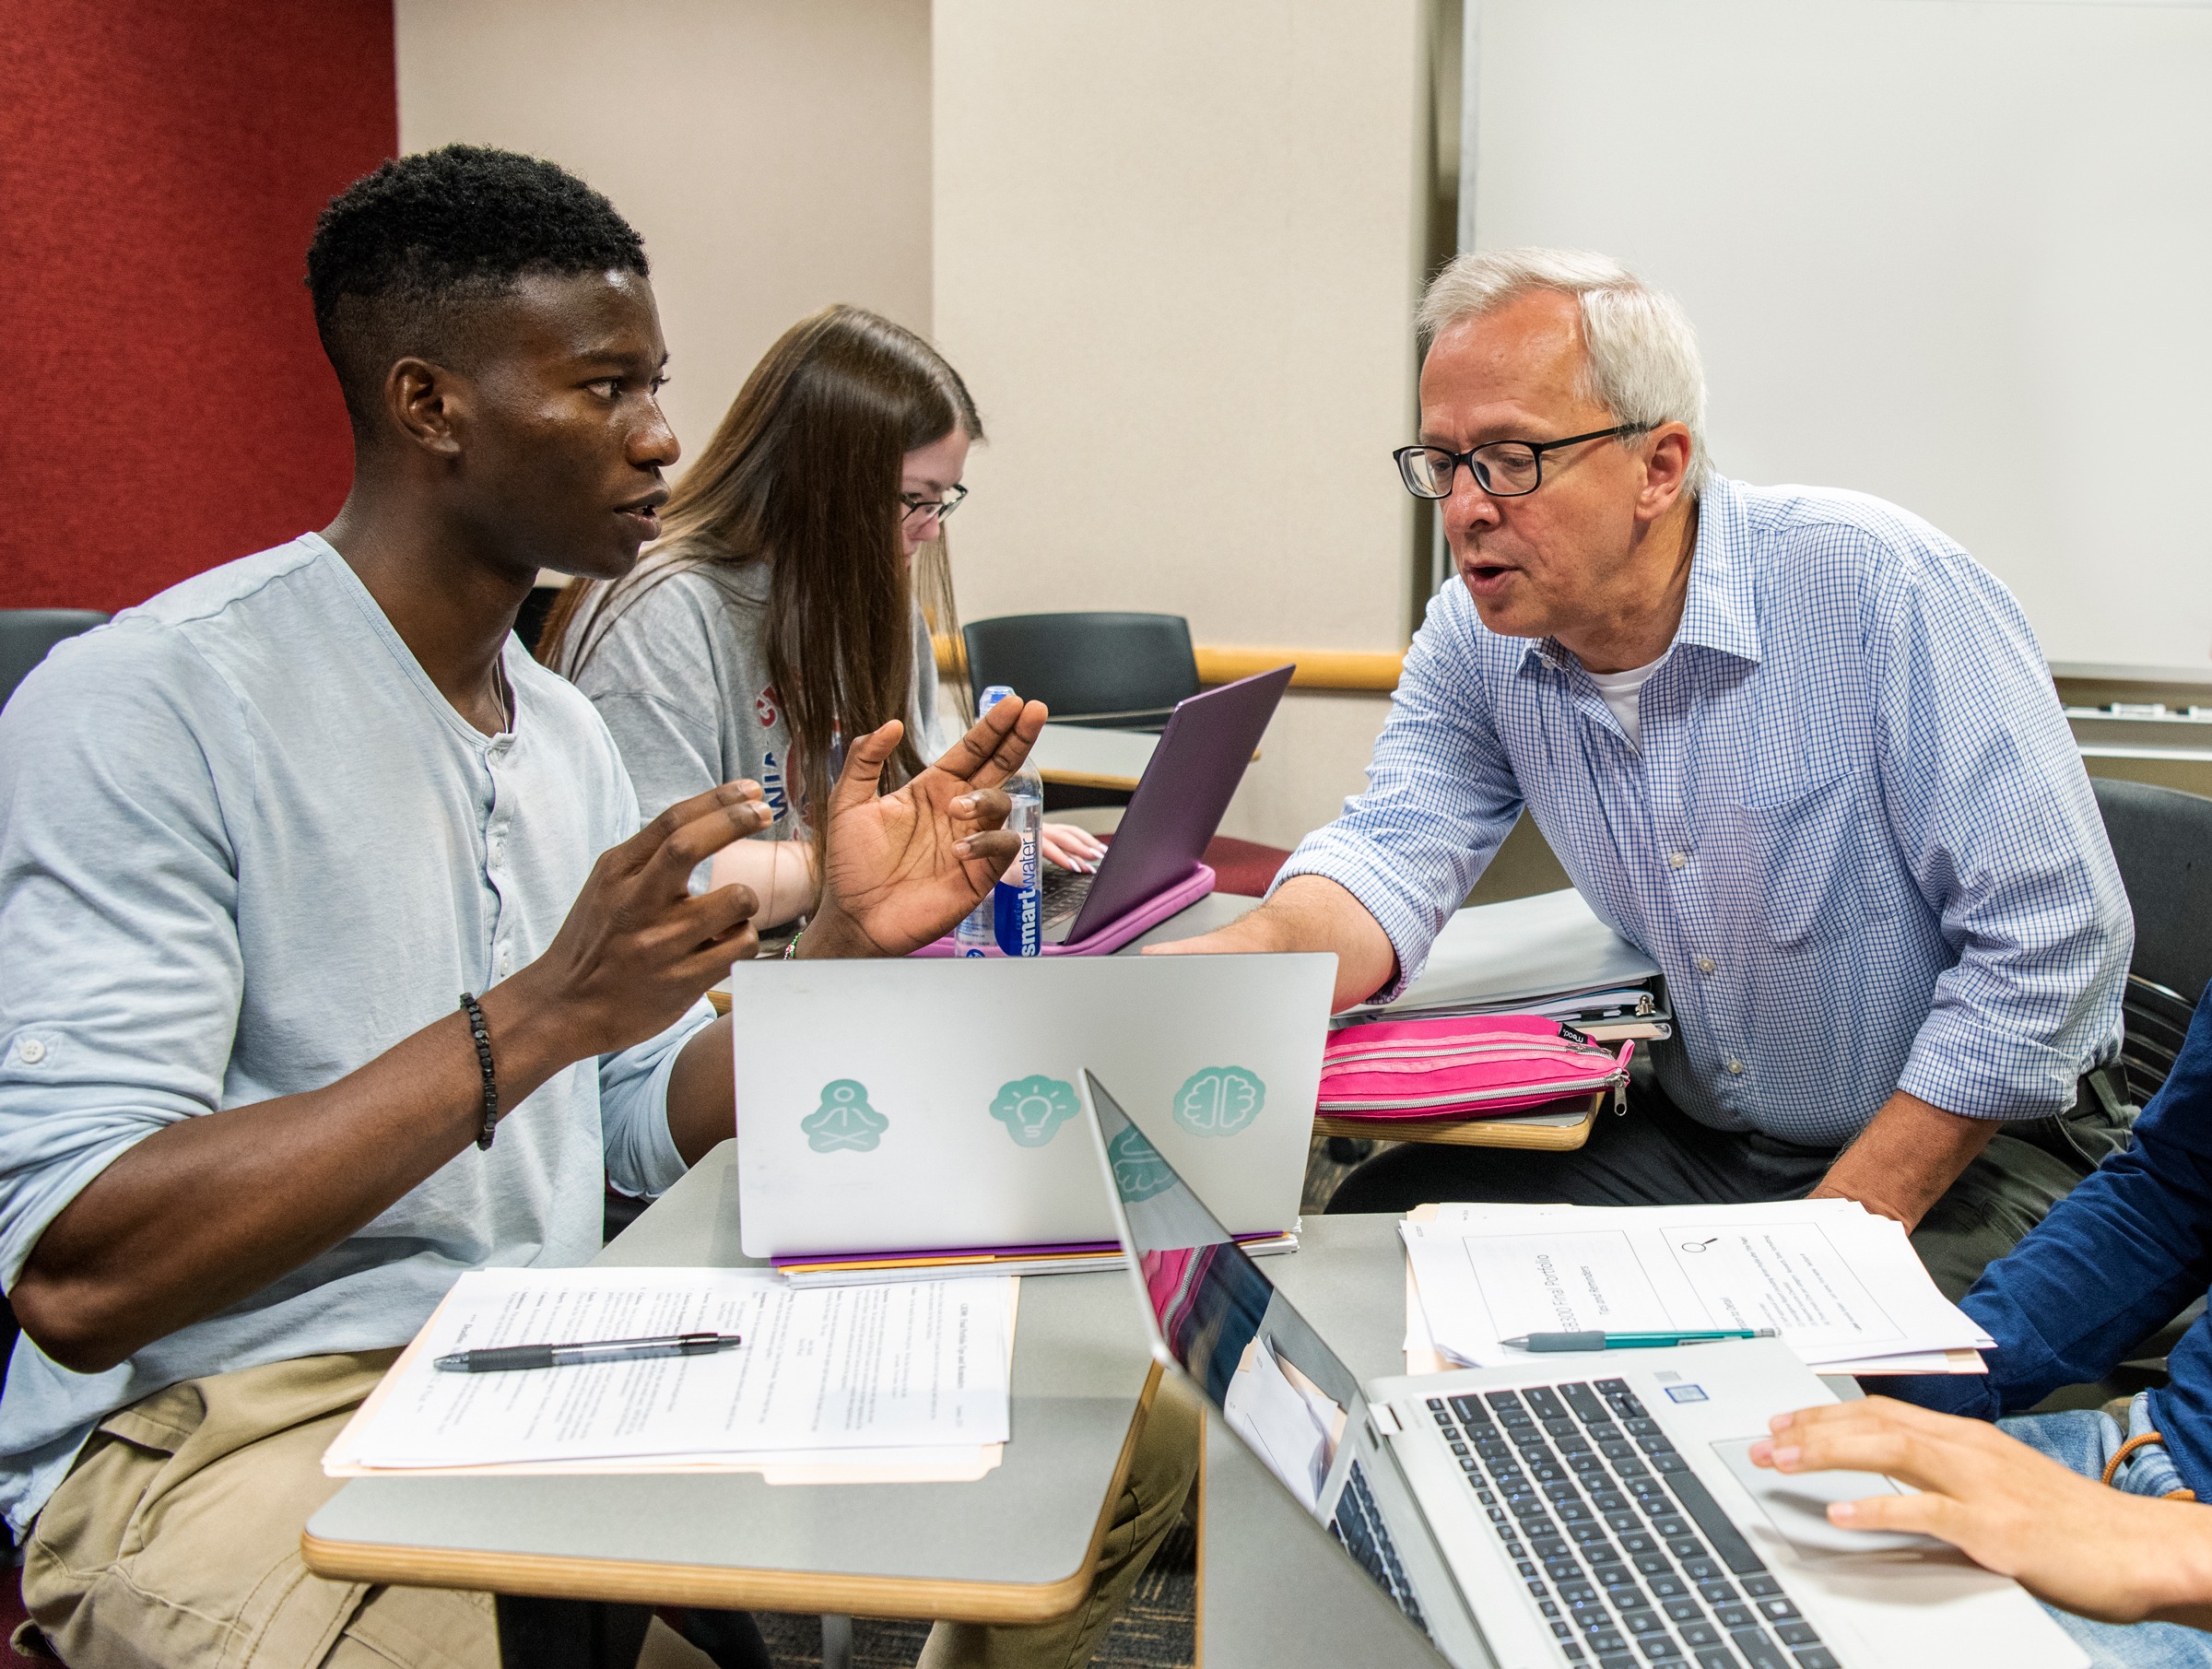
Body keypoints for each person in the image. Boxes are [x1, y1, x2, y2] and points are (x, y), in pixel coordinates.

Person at [0, 147, 1185, 1669]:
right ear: (433, 407)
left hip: (543, 1362)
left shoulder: (554, 730)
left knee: (1109, 1430)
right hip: (221, 1425)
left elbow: (629, 1114)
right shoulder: (150, 707)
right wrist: (540, 1013)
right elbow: (81, 1271)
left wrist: (839, 952)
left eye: (657, 384)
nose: (662, 437)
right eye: (607, 389)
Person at [1152, 247, 2132, 1298]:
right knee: (1384, 1230)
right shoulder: (1475, 635)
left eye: (1512, 458)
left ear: (1660, 467)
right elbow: (1390, 854)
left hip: (1975, 1150)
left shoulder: (1879, 589)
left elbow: (2054, 951)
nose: (1467, 508)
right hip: (1715, 1139)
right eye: (1443, 462)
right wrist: (1232, 967)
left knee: (1794, 1360)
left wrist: (1830, 1244)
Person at [540, 303, 1105, 926]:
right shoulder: (659, 615)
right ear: (822, 482)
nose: (930, 531)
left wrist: (984, 843)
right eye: (914, 499)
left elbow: (919, 798)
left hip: (827, 956)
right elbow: (664, 883)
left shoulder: (876, 599)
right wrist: (884, 867)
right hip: (717, 996)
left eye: (942, 501)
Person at [1751, 981, 2212, 1668]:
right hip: (2141, 1448)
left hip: (2184, 1564)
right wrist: (1952, 1364)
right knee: (1727, 1541)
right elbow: (2177, 1189)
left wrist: (2178, 1552)